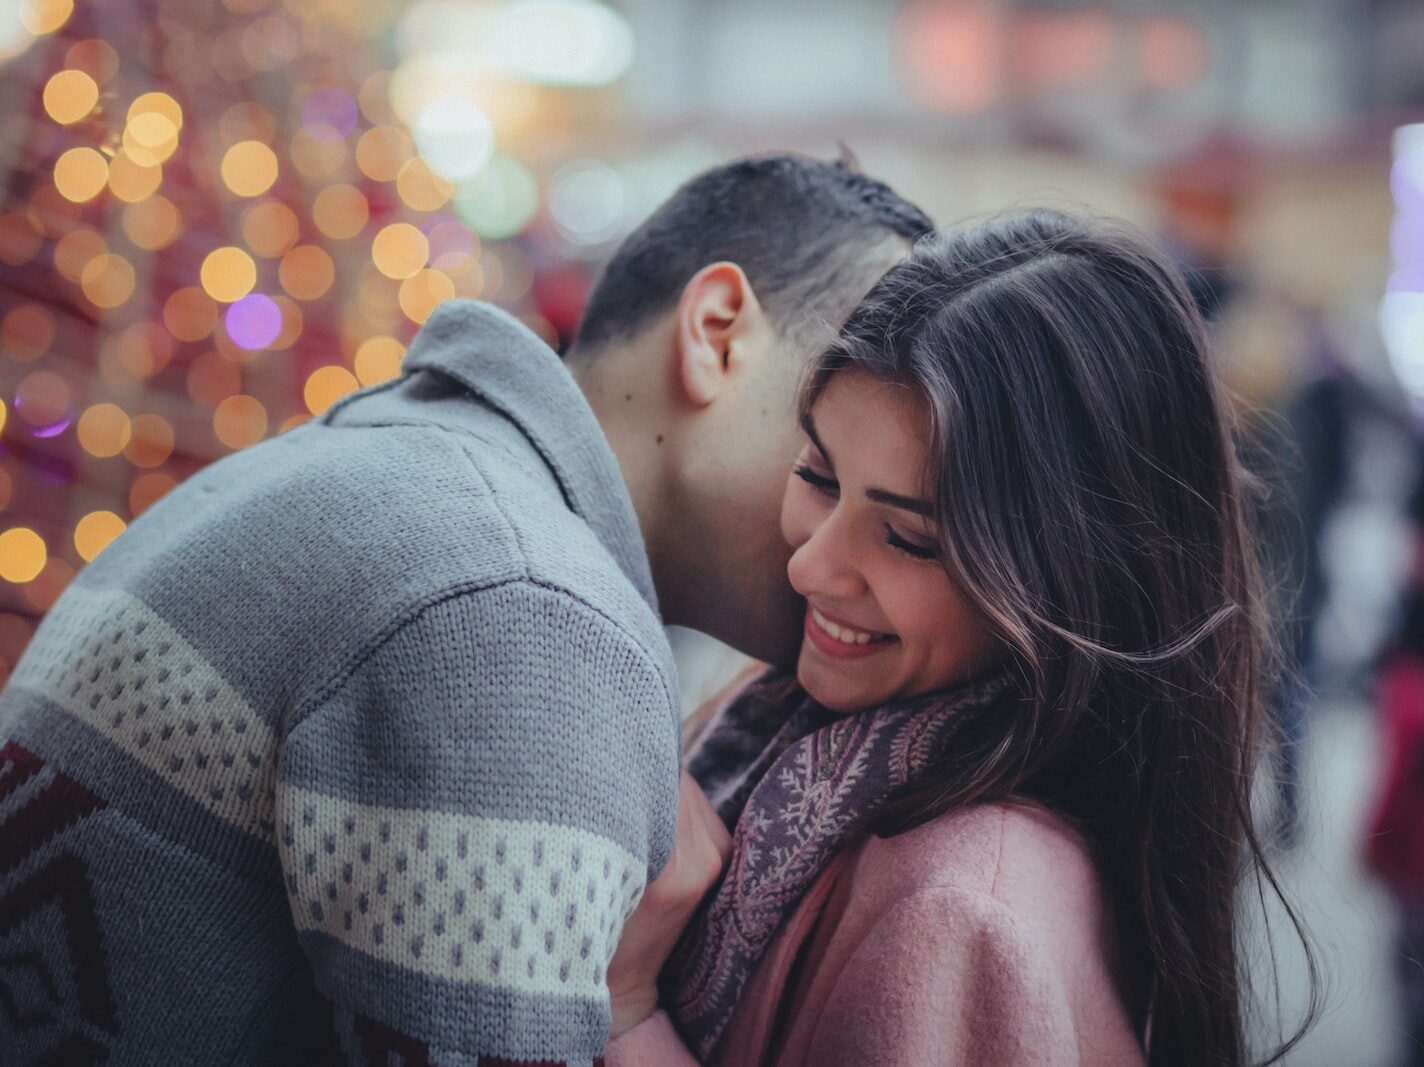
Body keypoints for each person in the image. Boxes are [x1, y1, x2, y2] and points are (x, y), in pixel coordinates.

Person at [0, 154, 930, 1063]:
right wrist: (629, 1012)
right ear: (717, 331)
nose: (869, 506)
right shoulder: (519, 607)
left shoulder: (397, 468)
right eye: (835, 434)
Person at [606, 210, 1316, 1066]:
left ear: (1072, 578)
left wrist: (626, 1009)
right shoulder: (800, 730)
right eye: (820, 476)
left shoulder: (965, 907)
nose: (811, 569)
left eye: (910, 539)